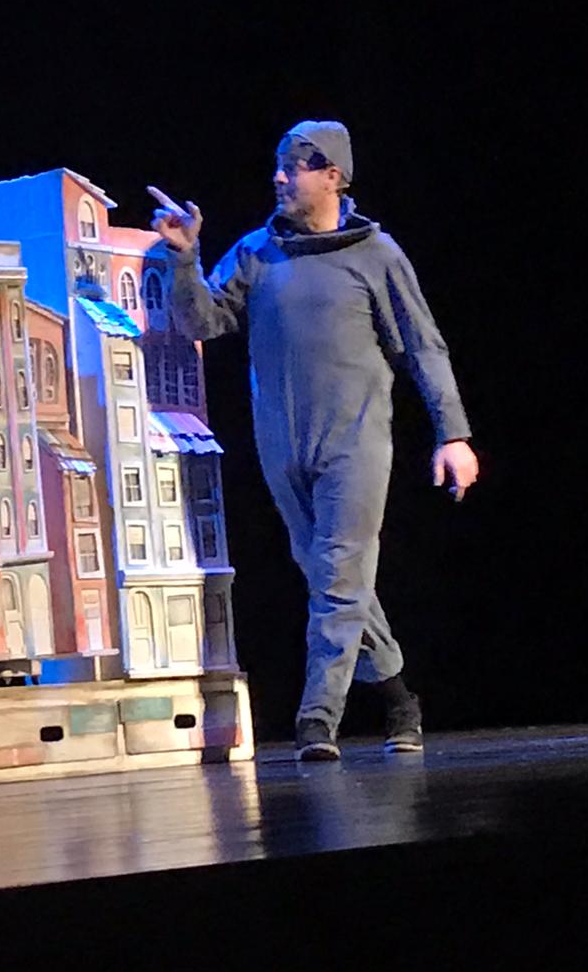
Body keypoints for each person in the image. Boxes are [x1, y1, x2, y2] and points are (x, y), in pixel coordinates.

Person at [150, 120, 479, 760]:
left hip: (355, 443)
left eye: (295, 166)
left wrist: (454, 434)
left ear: (333, 176)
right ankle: (399, 699)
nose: (279, 176)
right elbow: (202, 322)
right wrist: (185, 258)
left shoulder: (377, 255)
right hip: (282, 444)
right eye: (279, 164)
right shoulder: (258, 252)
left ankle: (317, 719)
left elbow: (424, 347)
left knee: (337, 578)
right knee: (333, 576)